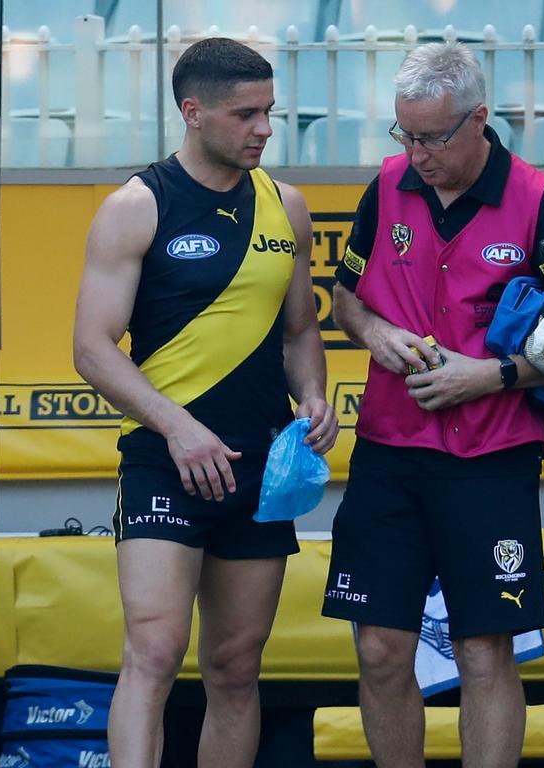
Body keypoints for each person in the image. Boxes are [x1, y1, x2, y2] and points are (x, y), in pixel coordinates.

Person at [321, 42, 544, 768]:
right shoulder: (386, 185)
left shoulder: (540, 201)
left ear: (479, 120)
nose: (416, 153)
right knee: (381, 649)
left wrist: (489, 375)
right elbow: (345, 300)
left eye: (432, 137)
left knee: (484, 651)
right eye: (405, 135)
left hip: (491, 459)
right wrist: (377, 331)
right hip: (389, 453)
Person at [73, 37, 338, 768]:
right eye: (245, 114)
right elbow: (92, 348)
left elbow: (300, 329)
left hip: (259, 466)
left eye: (269, 114)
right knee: (154, 652)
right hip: (166, 459)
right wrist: (178, 427)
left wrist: (315, 395)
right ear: (193, 113)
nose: (263, 129)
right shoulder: (135, 206)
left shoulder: (286, 205)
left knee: (235, 668)